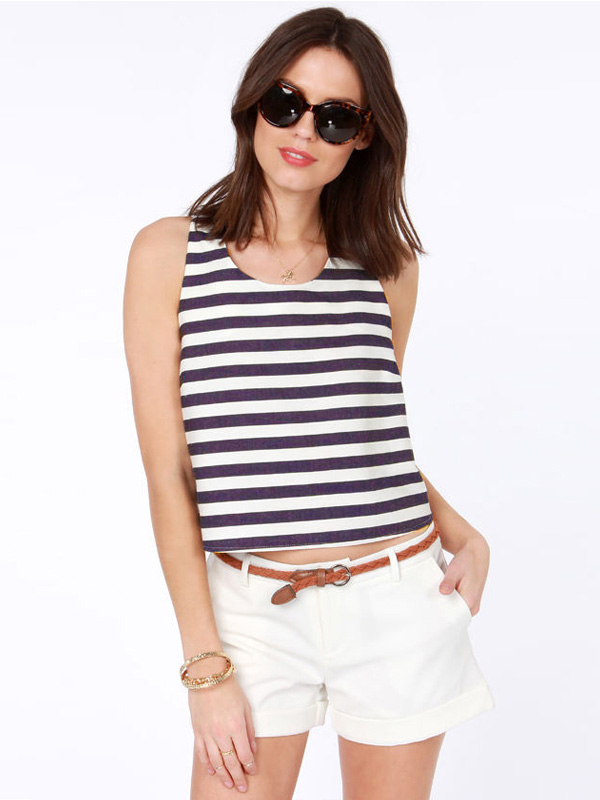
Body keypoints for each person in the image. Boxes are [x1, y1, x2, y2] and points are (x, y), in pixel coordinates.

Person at [123, 7, 495, 799]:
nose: (303, 131)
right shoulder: (169, 254)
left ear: (363, 136)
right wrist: (205, 664)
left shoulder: (386, 266)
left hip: (398, 600)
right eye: (286, 103)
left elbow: (358, 441)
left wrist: (461, 532)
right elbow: (169, 474)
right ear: (254, 104)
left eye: (335, 117)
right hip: (251, 612)